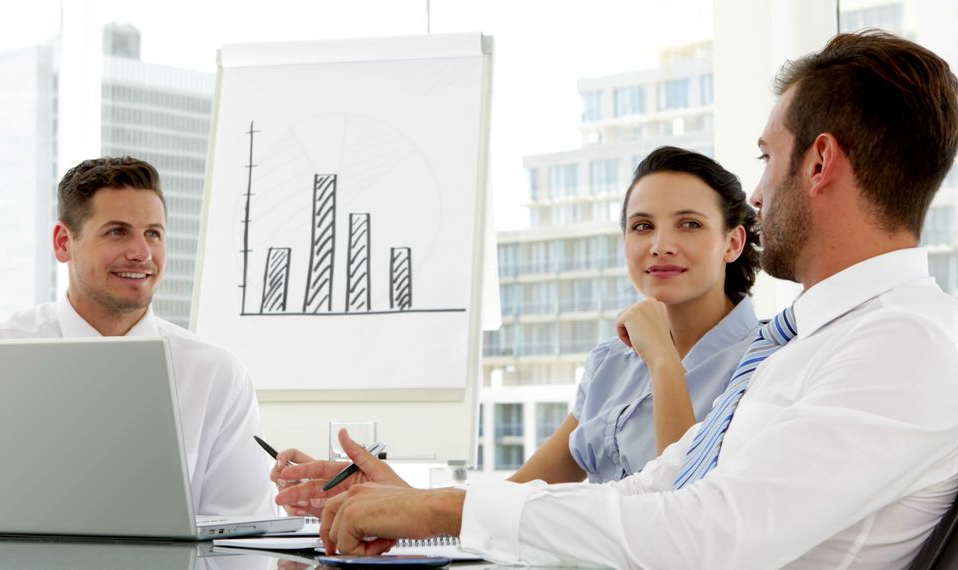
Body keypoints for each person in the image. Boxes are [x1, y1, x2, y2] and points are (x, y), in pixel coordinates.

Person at [315, 30, 958, 567]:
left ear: (819, 163)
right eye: (641, 226)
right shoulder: (807, 341)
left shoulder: (908, 343)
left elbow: (706, 535)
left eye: (768, 157)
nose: (758, 194)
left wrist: (441, 509)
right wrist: (429, 511)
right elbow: (659, 487)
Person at [271, 147, 763, 514]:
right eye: (641, 226)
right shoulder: (611, 363)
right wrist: (392, 494)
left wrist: (662, 360)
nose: (660, 245)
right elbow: (514, 498)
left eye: (690, 225)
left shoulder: (764, 361)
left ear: (733, 242)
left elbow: (682, 516)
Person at [0, 157, 275, 519]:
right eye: (118, 232)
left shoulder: (215, 376)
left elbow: (241, 527)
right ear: (63, 242)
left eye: (153, 233)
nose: (142, 252)